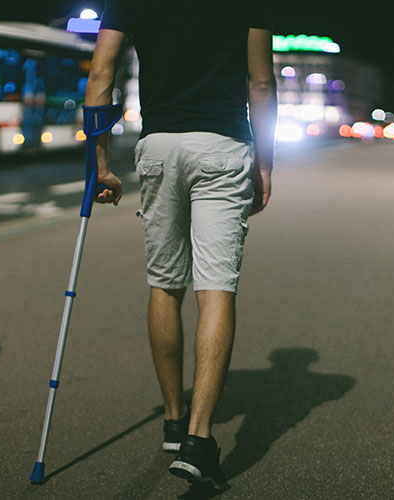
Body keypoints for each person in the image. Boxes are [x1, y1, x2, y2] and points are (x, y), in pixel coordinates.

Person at [84, 0, 277, 490]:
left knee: (165, 282)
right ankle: (198, 440)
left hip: (161, 144)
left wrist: (99, 161)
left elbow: (101, 71)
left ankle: (173, 419)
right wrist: (266, 163)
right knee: (216, 287)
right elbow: (261, 83)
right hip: (223, 145)